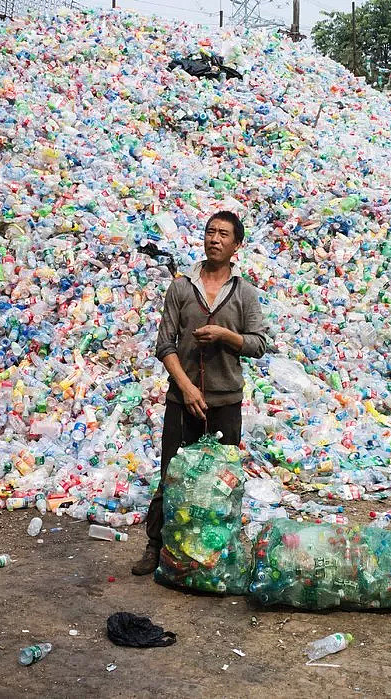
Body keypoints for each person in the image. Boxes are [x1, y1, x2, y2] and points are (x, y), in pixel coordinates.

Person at [132, 211, 269, 576]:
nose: (215, 239)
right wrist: (186, 386)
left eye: (224, 234)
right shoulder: (181, 287)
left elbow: (258, 344)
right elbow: (165, 345)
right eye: (211, 232)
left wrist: (225, 336)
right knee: (172, 474)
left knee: (222, 481)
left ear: (237, 245)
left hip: (226, 402)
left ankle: (219, 555)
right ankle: (156, 547)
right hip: (183, 400)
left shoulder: (244, 293)